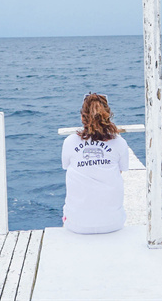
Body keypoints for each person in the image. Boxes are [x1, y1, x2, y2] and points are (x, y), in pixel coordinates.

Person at [61, 93, 129, 234]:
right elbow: (121, 170)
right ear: (108, 115)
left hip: (76, 225)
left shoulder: (70, 142)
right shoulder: (119, 143)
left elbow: (66, 166)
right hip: (114, 223)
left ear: (82, 117)